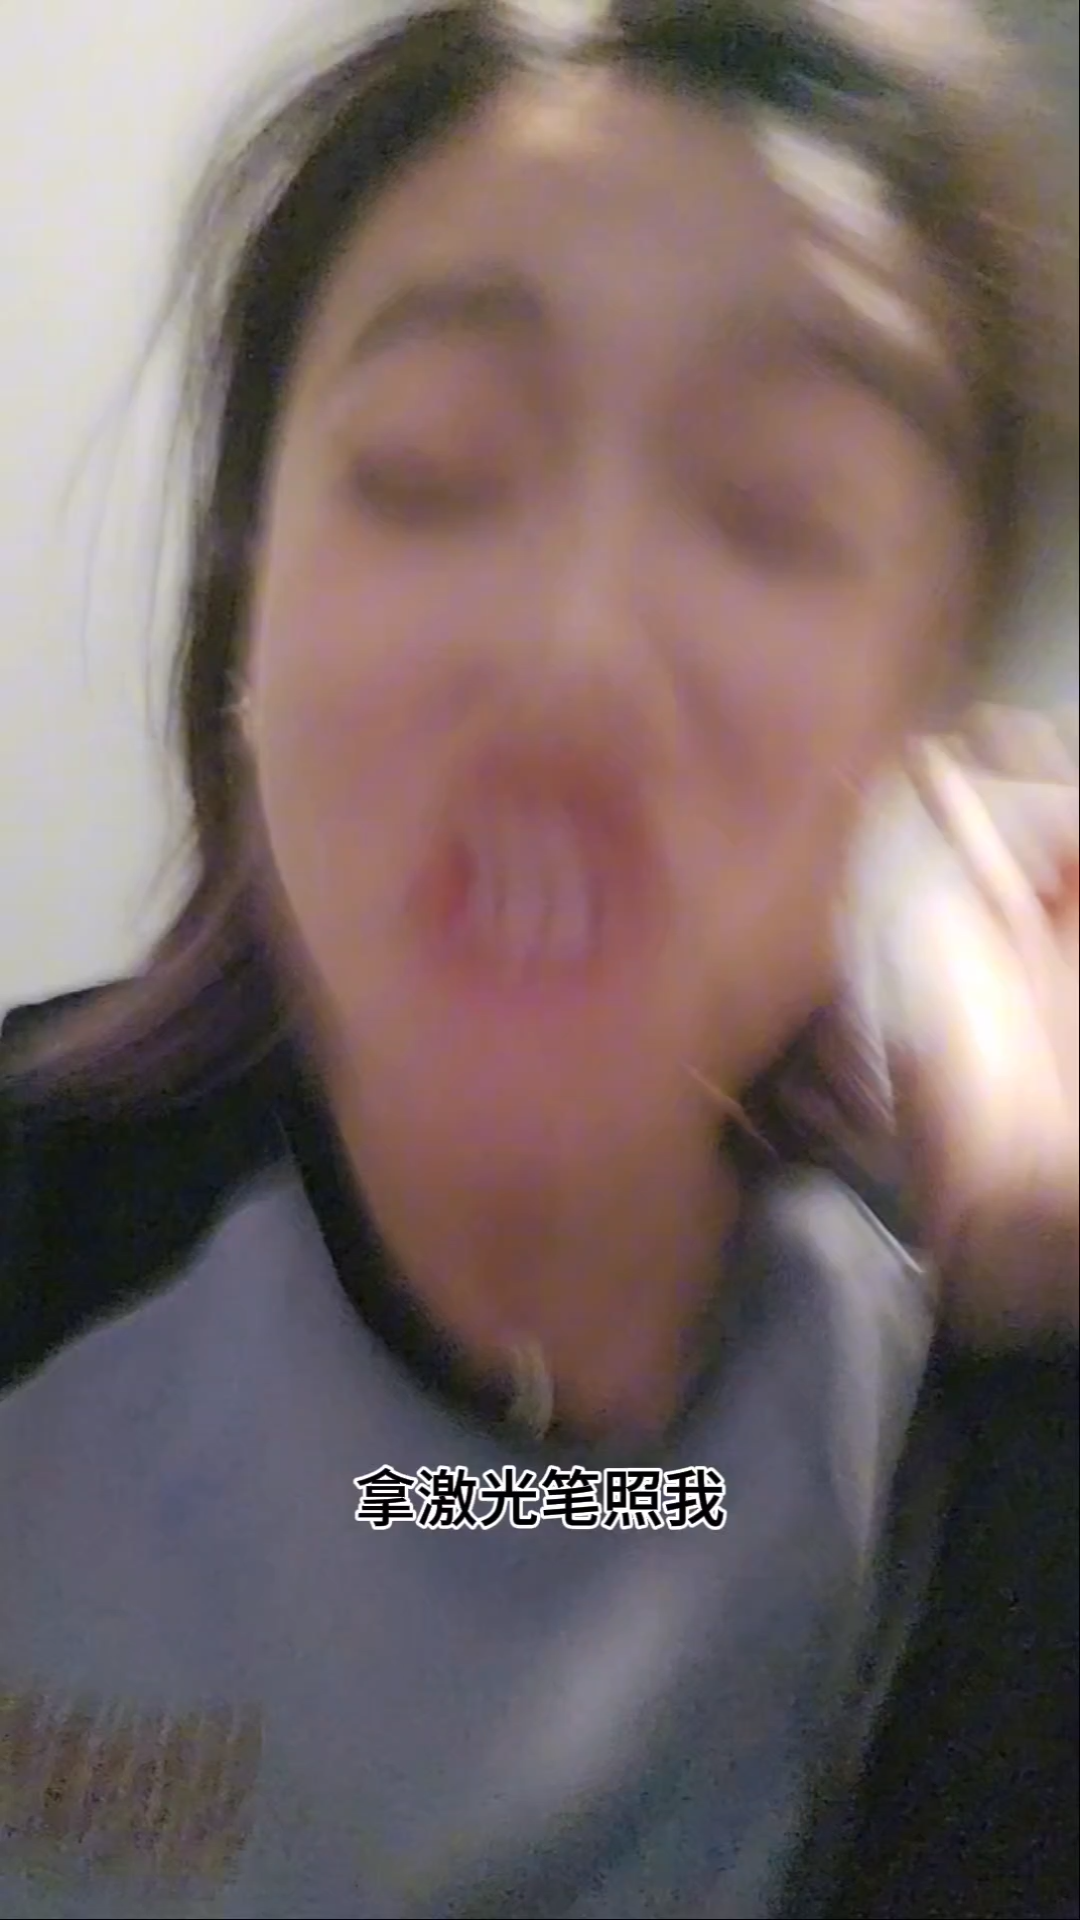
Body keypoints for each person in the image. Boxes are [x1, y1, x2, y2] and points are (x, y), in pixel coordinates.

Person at [0, 1, 1076, 1914]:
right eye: (428, 469)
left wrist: (1038, 1332)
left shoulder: (955, 1367)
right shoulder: (41, 1263)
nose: (576, 655)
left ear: (926, 729)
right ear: (248, 636)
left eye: (779, 509)